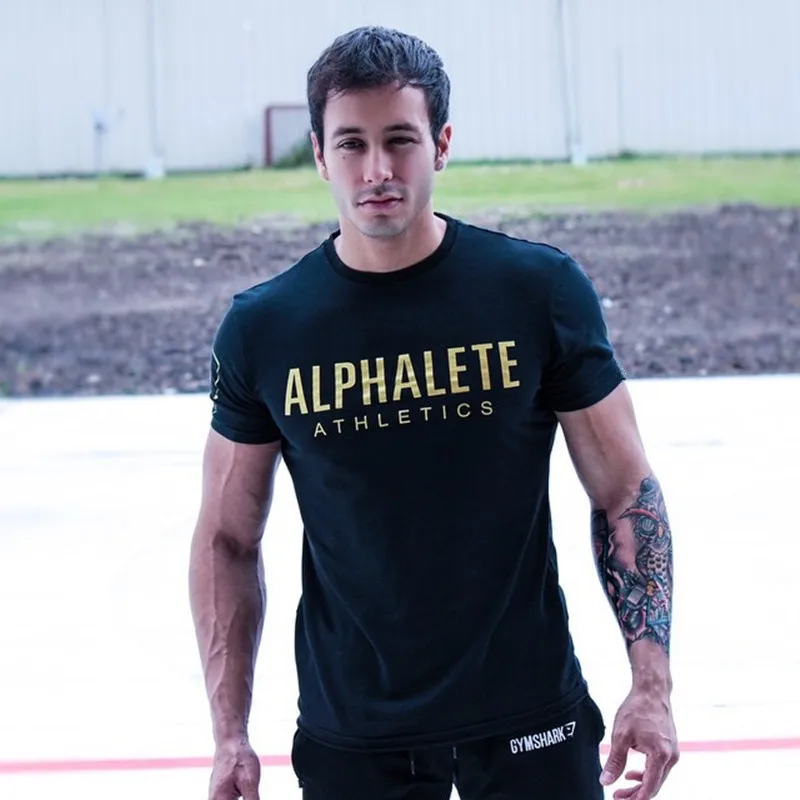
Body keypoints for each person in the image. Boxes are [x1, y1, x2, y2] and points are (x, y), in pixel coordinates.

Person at [188, 25, 680, 800]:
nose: (377, 170)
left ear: (441, 144)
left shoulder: (535, 293)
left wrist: (651, 686)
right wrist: (229, 735)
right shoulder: (266, 328)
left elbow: (625, 492)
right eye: (351, 144)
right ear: (318, 154)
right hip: (355, 737)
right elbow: (226, 537)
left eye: (400, 140)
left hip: (530, 719)